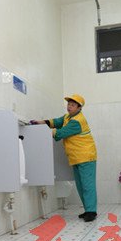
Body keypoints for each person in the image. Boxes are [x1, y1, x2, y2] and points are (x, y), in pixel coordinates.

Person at [30, 94, 98, 222]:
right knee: (80, 185)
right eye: (68, 104)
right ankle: (87, 210)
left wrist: (42, 131)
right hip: (76, 157)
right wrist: (41, 122)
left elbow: (61, 133)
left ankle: (91, 212)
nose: (69, 107)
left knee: (87, 185)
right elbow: (57, 122)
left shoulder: (77, 121)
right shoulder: (68, 117)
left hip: (86, 156)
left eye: (72, 105)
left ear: (79, 108)